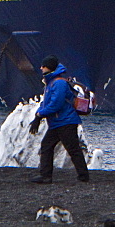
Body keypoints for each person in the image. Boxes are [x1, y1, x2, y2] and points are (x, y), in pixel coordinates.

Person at [28, 56, 90, 184]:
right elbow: (47, 103)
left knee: (71, 148)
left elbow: (56, 104)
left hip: (65, 121)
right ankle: (46, 176)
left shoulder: (58, 83)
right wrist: (39, 114)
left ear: (49, 67)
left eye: (43, 66)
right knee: (48, 146)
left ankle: (82, 176)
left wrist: (39, 115)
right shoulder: (52, 82)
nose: (40, 68)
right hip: (59, 121)